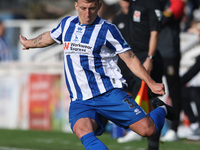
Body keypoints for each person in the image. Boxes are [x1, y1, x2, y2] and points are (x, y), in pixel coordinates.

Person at [19, 0, 174, 149]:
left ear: (99, 6)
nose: (87, 14)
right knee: (83, 131)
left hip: (108, 94)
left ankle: (162, 109)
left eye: (92, 8)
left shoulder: (108, 30)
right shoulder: (67, 25)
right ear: (76, 6)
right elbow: (50, 36)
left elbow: (131, 59)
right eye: (83, 8)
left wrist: (151, 83)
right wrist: (29, 43)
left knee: (148, 130)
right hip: (80, 100)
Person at [113, 0, 163, 149]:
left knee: (148, 101)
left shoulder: (152, 4)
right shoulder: (133, 5)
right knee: (133, 97)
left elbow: (155, 32)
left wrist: (150, 57)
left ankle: (152, 141)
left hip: (145, 58)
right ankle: (137, 127)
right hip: (131, 58)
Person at [157, 0, 185, 142]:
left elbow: (163, 19)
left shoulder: (176, 2)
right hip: (155, 52)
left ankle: (174, 128)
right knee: (147, 88)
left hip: (170, 54)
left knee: (174, 91)